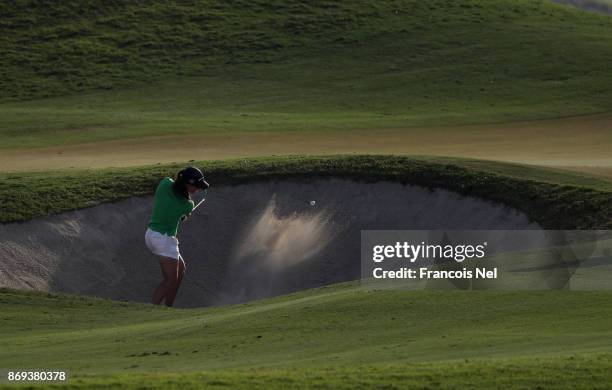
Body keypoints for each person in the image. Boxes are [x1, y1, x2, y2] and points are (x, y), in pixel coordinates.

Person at [145, 166, 209, 306]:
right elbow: (185, 210)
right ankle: (151, 310)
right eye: (196, 186)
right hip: (164, 239)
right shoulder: (187, 205)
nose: (198, 189)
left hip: (151, 234)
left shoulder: (164, 184)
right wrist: (186, 213)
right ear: (188, 183)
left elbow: (173, 192)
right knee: (170, 279)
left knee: (180, 270)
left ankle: (168, 308)